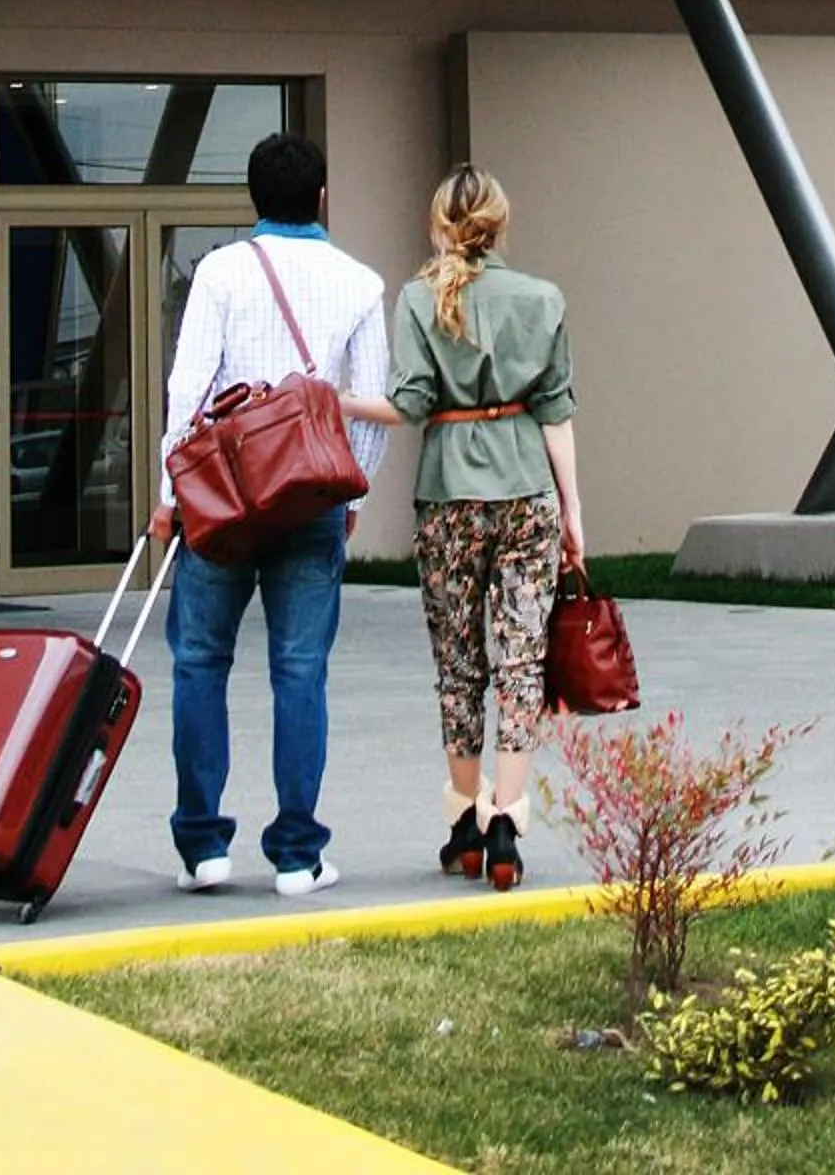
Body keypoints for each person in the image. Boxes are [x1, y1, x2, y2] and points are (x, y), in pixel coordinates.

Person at [149, 129, 389, 897]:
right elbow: (370, 407)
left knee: (198, 664)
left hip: (220, 501)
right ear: (321, 198)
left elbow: (188, 394)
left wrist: (167, 499)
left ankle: (202, 847)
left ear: (253, 199)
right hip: (311, 498)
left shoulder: (220, 273)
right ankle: (296, 854)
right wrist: (352, 492)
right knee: (300, 672)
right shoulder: (360, 283)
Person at [343, 162, 582, 892]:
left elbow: (409, 405)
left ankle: (463, 827)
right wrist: (574, 515)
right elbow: (557, 410)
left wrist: (342, 402)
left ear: (439, 224)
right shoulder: (543, 299)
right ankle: (506, 819)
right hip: (527, 493)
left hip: (448, 495)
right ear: (500, 224)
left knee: (458, 666)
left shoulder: (419, 299)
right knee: (520, 664)